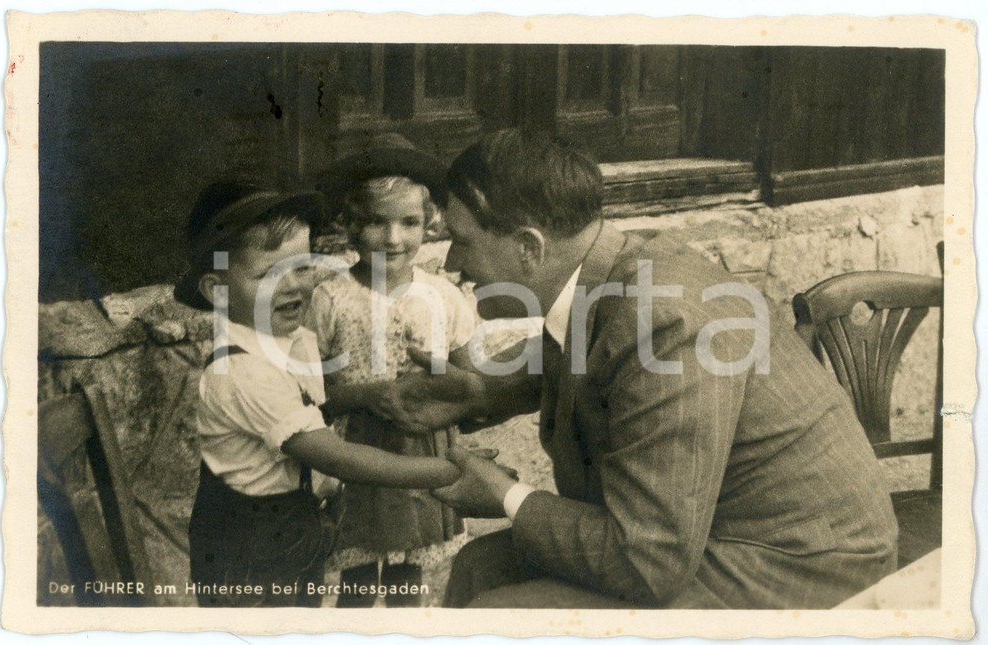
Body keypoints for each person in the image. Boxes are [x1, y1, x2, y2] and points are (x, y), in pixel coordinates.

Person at [378, 129, 899, 609]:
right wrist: (480, 391)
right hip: (716, 537)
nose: (450, 265)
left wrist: (505, 495)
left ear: (529, 248)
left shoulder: (665, 320)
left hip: (799, 566)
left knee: (500, 611)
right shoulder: (615, 267)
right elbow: (590, 343)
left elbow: (648, 561)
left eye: (463, 242)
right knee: (480, 567)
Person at [173, 181, 462, 608]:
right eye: (268, 275)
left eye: (302, 268)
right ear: (217, 290)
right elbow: (334, 455)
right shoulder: (243, 371)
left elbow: (316, 406)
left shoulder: (293, 339)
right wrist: (445, 472)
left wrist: (370, 394)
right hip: (247, 545)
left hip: (290, 524)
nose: (291, 287)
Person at [308, 136, 477, 607]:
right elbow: (309, 393)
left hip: (424, 444)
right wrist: (363, 396)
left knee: (409, 574)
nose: (394, 238)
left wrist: (436, 379)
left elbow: (469, 383)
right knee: (358, 580)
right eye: (376, 223)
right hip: (354, 451)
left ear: (430, 223)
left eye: (409, 222)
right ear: (350, 225)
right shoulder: (330, 299)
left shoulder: (443, 296)